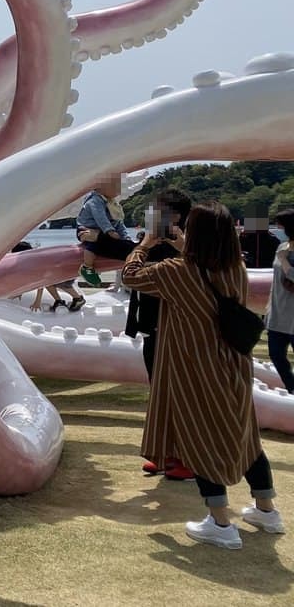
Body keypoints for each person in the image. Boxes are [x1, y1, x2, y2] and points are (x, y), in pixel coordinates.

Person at [122, 201, 282, 549]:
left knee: (201, 436)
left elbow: (129, 277)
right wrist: (185, 250)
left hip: (195, 367)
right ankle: (267, 510)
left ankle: (221, 523)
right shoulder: (235, 266)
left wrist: (146, 245)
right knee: (245, 435)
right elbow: (204, 273)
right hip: (234, 363)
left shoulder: (176, 271)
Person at [123, 188, 192, 478]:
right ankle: (165, 453)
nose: (152, 215)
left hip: (180, 327)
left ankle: (188, 458)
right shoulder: (149, 240)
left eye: (158, 210)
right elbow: (128, 269)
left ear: (176, 215)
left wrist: (183, 245)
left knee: (182, 394)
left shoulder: (193, 242)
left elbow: (213, 271)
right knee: (159, 393)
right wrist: (146, 243)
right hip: (152, 325)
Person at [75, 175, 134, 286]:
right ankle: (87, 266)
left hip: (103, 231)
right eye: (115, 185)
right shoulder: (95, 200)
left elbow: (119, 222)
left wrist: (125, 236)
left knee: (110, 242)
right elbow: (100, 217)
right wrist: (109, 231)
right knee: (93, 244)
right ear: (100, 186)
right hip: (87, 228)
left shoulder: (112, 203)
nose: (118, 189)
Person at [10, 241, 85, 312]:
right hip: (62, 270)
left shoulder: (34, 261)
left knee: (60, 284)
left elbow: (40, 283)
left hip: (65, 271)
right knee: (49, 282)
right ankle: (59, 301)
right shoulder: (34, 257)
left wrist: (37, 302)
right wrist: (20, 292)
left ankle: (78, 299)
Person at [265, 209, 294, 394]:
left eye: (280, 225)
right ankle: (292, 389)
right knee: (276, 355)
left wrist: (285, 262)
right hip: (276, 313)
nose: (278, 228)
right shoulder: (281, 247)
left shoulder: (283, 253)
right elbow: (275, 280)